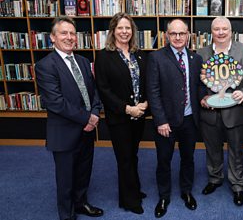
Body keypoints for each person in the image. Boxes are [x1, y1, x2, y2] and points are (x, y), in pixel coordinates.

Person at [35, 16, 103, 220]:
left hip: (87, 130)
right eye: (64, 33)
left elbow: (94, 92)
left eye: (72, 33)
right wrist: (87, 119)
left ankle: (81, 203)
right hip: (64, 133)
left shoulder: (82, 61)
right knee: (65, 179)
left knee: (84, 171)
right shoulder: (45, 66)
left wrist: (95, 112)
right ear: (53, 38)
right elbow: (56, 102)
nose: (69, 37)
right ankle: (67, 215)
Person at [146, 18, 205, 218]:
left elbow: (198, 87)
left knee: (188, 158)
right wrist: (160, 120)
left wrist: (205, 98)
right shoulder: (156, 58)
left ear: (188, 35)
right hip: (166, 122)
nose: (178, 37)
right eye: (173, 33)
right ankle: (164, 196)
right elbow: (152, 91)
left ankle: (186, 191)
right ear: (166, 36)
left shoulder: (196, 58)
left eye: (182, 33)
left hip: (190, 119)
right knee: (164, 160)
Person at [197, 16, 243, 206]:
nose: (221, 32)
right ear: (211, 32)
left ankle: (238, 184)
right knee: (212, 149)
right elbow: (196, 83)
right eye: (217, 29)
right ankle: (215, 178)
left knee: (236, 150)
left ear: (231, 31)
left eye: (225, 29)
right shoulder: (200, 53)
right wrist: (202, 97)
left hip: (236, 112)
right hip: (210, 112)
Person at [94, 13, 148, 215]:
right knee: (124, 158)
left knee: (132, 155)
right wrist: (127, 108)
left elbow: (146, 83)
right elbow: (104, 90)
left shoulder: (139, 54)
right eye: (120, 28)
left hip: (139, 116)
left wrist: (146, 103)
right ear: (113, 31)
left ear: (132, 31)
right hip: (120, 117)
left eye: (128, 28)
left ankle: (133, 189)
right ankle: (129, 200)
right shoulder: (104, 56)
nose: (124, 32)